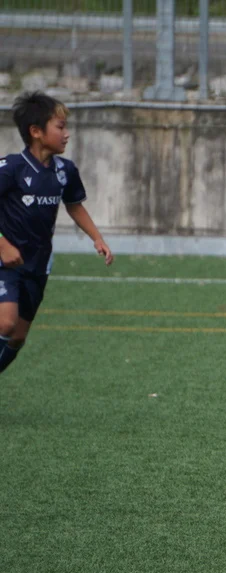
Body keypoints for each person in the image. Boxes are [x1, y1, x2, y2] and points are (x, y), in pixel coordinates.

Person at [0, 91, 114, 375]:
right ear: (36, 132)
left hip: (38, 265)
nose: (67, 134)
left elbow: (74, 205)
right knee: (6, 322)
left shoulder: (65, 170)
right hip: (5, 263)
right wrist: (2, 244)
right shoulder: (11, 168)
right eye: (60, 127)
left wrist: (97, 238)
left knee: (17, 337)